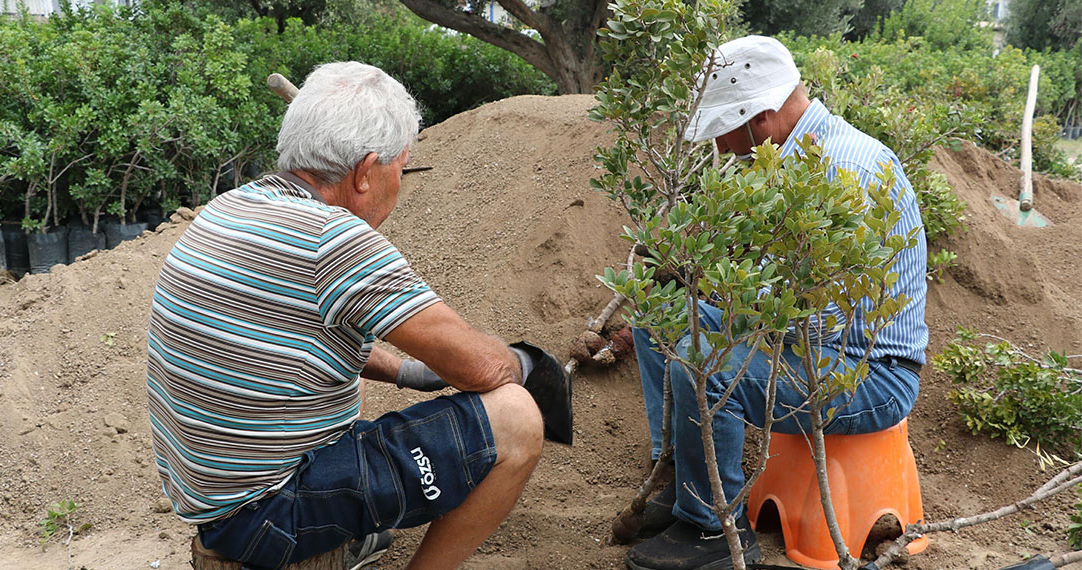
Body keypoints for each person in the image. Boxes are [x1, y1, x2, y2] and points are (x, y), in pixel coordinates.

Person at [146, 61, 571, 570]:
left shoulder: (230, 209)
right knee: (516, 420)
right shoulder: (333, 240)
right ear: (367, 171)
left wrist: (408, 372)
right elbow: (482, 369)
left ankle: (353, 529)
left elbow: (293, 339)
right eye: (399, 167)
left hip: (215, 500)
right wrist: (526, 366)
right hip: (269, 513)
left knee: (350, 393)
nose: (400, 181)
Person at [625, 36, 929, 570]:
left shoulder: (842, 170)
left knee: (703, 358)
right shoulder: (786, 156)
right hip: (814, 347)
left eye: (722, 135)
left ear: (761, 119)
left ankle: (712, 532)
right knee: (659, 313)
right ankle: (679, 481)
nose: (720, 151)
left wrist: (718, 288)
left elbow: (823, 317)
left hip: (869, 372)